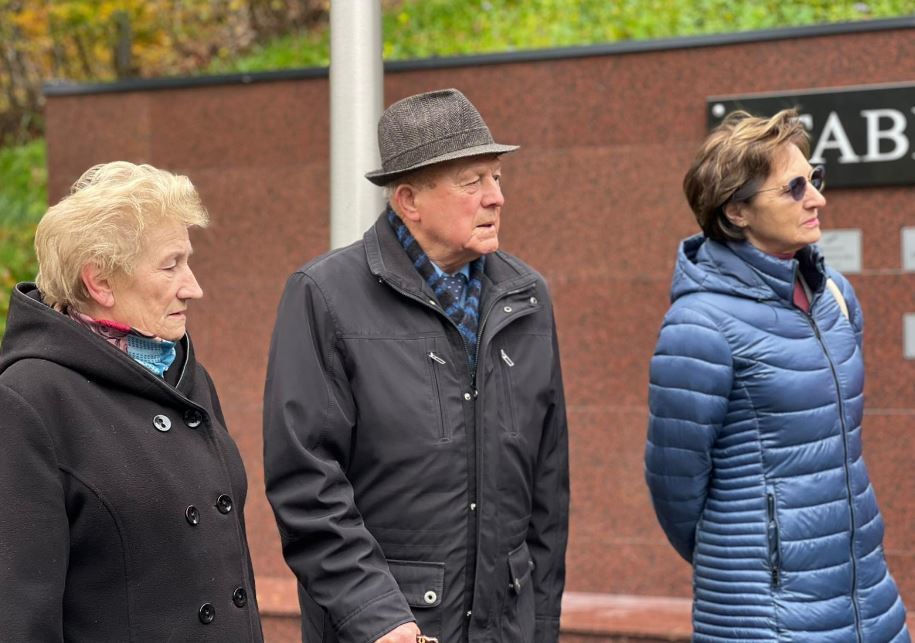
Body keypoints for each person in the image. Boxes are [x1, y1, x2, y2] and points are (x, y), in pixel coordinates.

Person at [264, 88, 569, 643]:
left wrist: (542, 626)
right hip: (387, 630)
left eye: (497, 177)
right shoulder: (324, 296)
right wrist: (378, 617)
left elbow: (548, 490)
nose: (496, 197)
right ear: (409, 200)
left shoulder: (527, 297)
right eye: (472, 182)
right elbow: (307, 485)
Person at [645, 109, 910, 641]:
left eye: (815, 179)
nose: (817, 199)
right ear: (736, 210)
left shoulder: (834, 296)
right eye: (794, 188)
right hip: (765, 611)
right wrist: (758, 554)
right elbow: (675, 484)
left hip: (865, 593)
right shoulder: (698, 326)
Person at [0, 162, 263, 641]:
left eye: (187, 261)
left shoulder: (184, 376)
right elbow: (18, 616)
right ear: (100, 282)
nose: (194, 287)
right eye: (170, 265)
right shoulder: (29, 400)